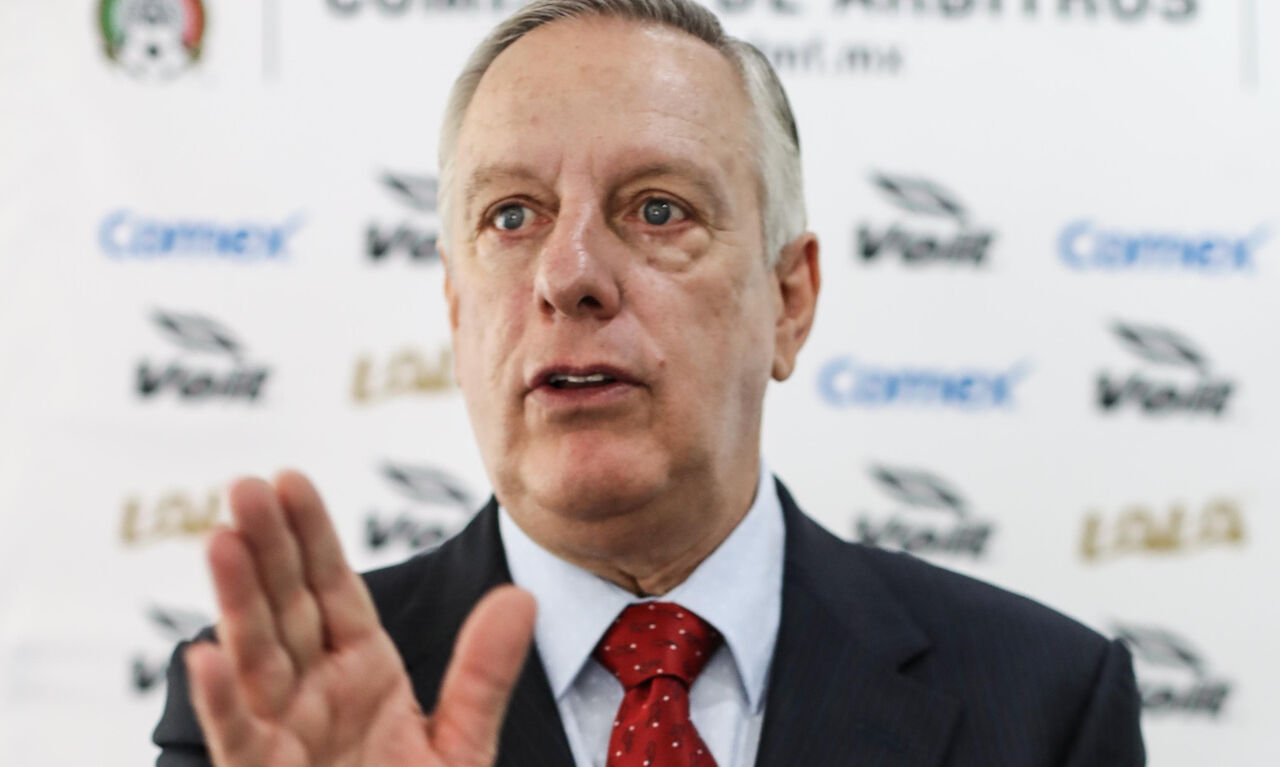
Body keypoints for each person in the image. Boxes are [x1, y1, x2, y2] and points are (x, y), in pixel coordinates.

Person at [153, 0, 1146, 765]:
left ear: (788, 299)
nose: (570, 273)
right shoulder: (268, 712)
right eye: (511, 215)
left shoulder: (1043, 701)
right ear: (457, 310)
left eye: (658, 208)